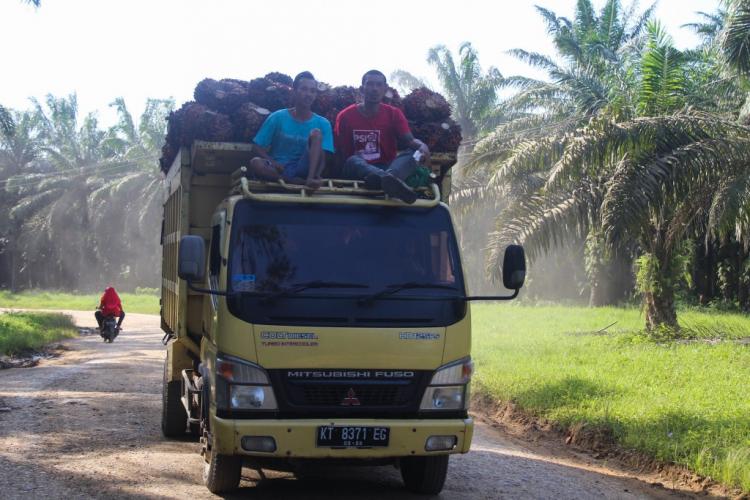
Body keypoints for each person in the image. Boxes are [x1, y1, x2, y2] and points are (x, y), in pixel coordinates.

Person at [334, 69, 431, 204]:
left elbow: (410, 141)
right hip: (357, 170)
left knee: (414, 154)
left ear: (385, 89)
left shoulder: (394, 114)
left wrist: (422, 146)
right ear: (362, 89)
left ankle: (381, 180)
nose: (375, 89)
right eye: (370, 84)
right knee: (353, 160)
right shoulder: (345, 116)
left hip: (387, 168)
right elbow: (340, 152)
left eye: (379, 85)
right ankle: (390, 181)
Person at [249, 71, 334, 190]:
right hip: (278, 171)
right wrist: (272, 162)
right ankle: (291, 181)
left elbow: (323, 156)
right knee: (256, 163)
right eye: (304, 89)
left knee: (316, 133)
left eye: (312, 91)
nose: (308, 94)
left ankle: (309, 180)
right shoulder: (277, 117)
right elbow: (256, 148)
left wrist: (317, 175)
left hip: (304, 169)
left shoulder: (323, 123)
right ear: (294, 91)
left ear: (315, 95)